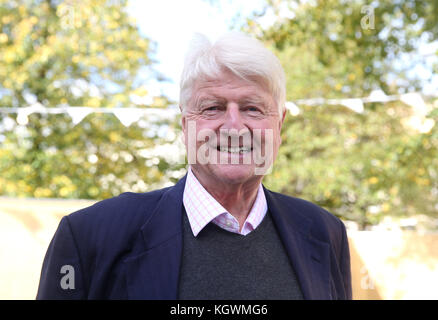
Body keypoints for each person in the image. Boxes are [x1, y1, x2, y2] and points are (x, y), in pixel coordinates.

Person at [36, 32, 352, 300]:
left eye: (252, 108)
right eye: (213, 108)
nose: (234, 127)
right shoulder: (90, 237)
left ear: (279, 125)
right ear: (185, 126)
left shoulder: (324, 234)